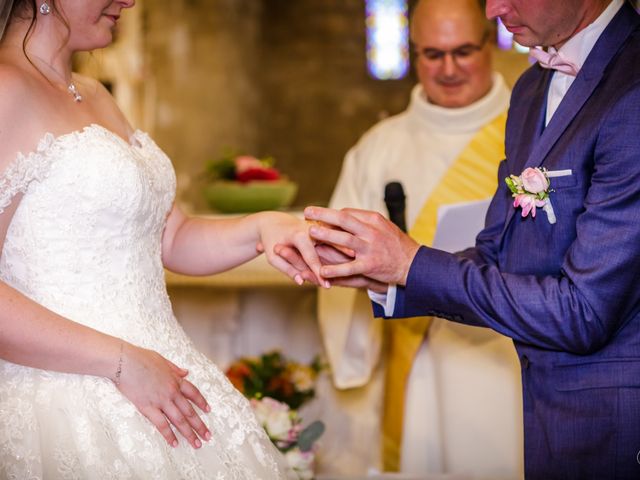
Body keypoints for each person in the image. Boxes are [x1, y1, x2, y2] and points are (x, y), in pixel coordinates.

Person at [300, 0, 640, 478]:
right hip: (545, 407)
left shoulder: (632, 86)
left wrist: (410, 263)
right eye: (432, 54)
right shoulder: (530, 89)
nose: (495, 7)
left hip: (612, 417)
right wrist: (379, 271)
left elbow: (584, 311)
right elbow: (500, 250)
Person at [0, 0, 322, 477]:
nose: (128, 0)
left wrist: (263, 226)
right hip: (68, 389)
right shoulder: (5, 90)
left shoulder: (93, 94)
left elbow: (173, 237)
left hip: (163, 376)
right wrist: (122, 362)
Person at [317, 0, 522, 476]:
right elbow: (338, 255)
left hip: (509, 352)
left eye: (464, 51)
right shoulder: (379, 146)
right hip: (414, 356)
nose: (448, 69)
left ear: (491, 43)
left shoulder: (530, 132)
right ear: (413, 53)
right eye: (433, 54)